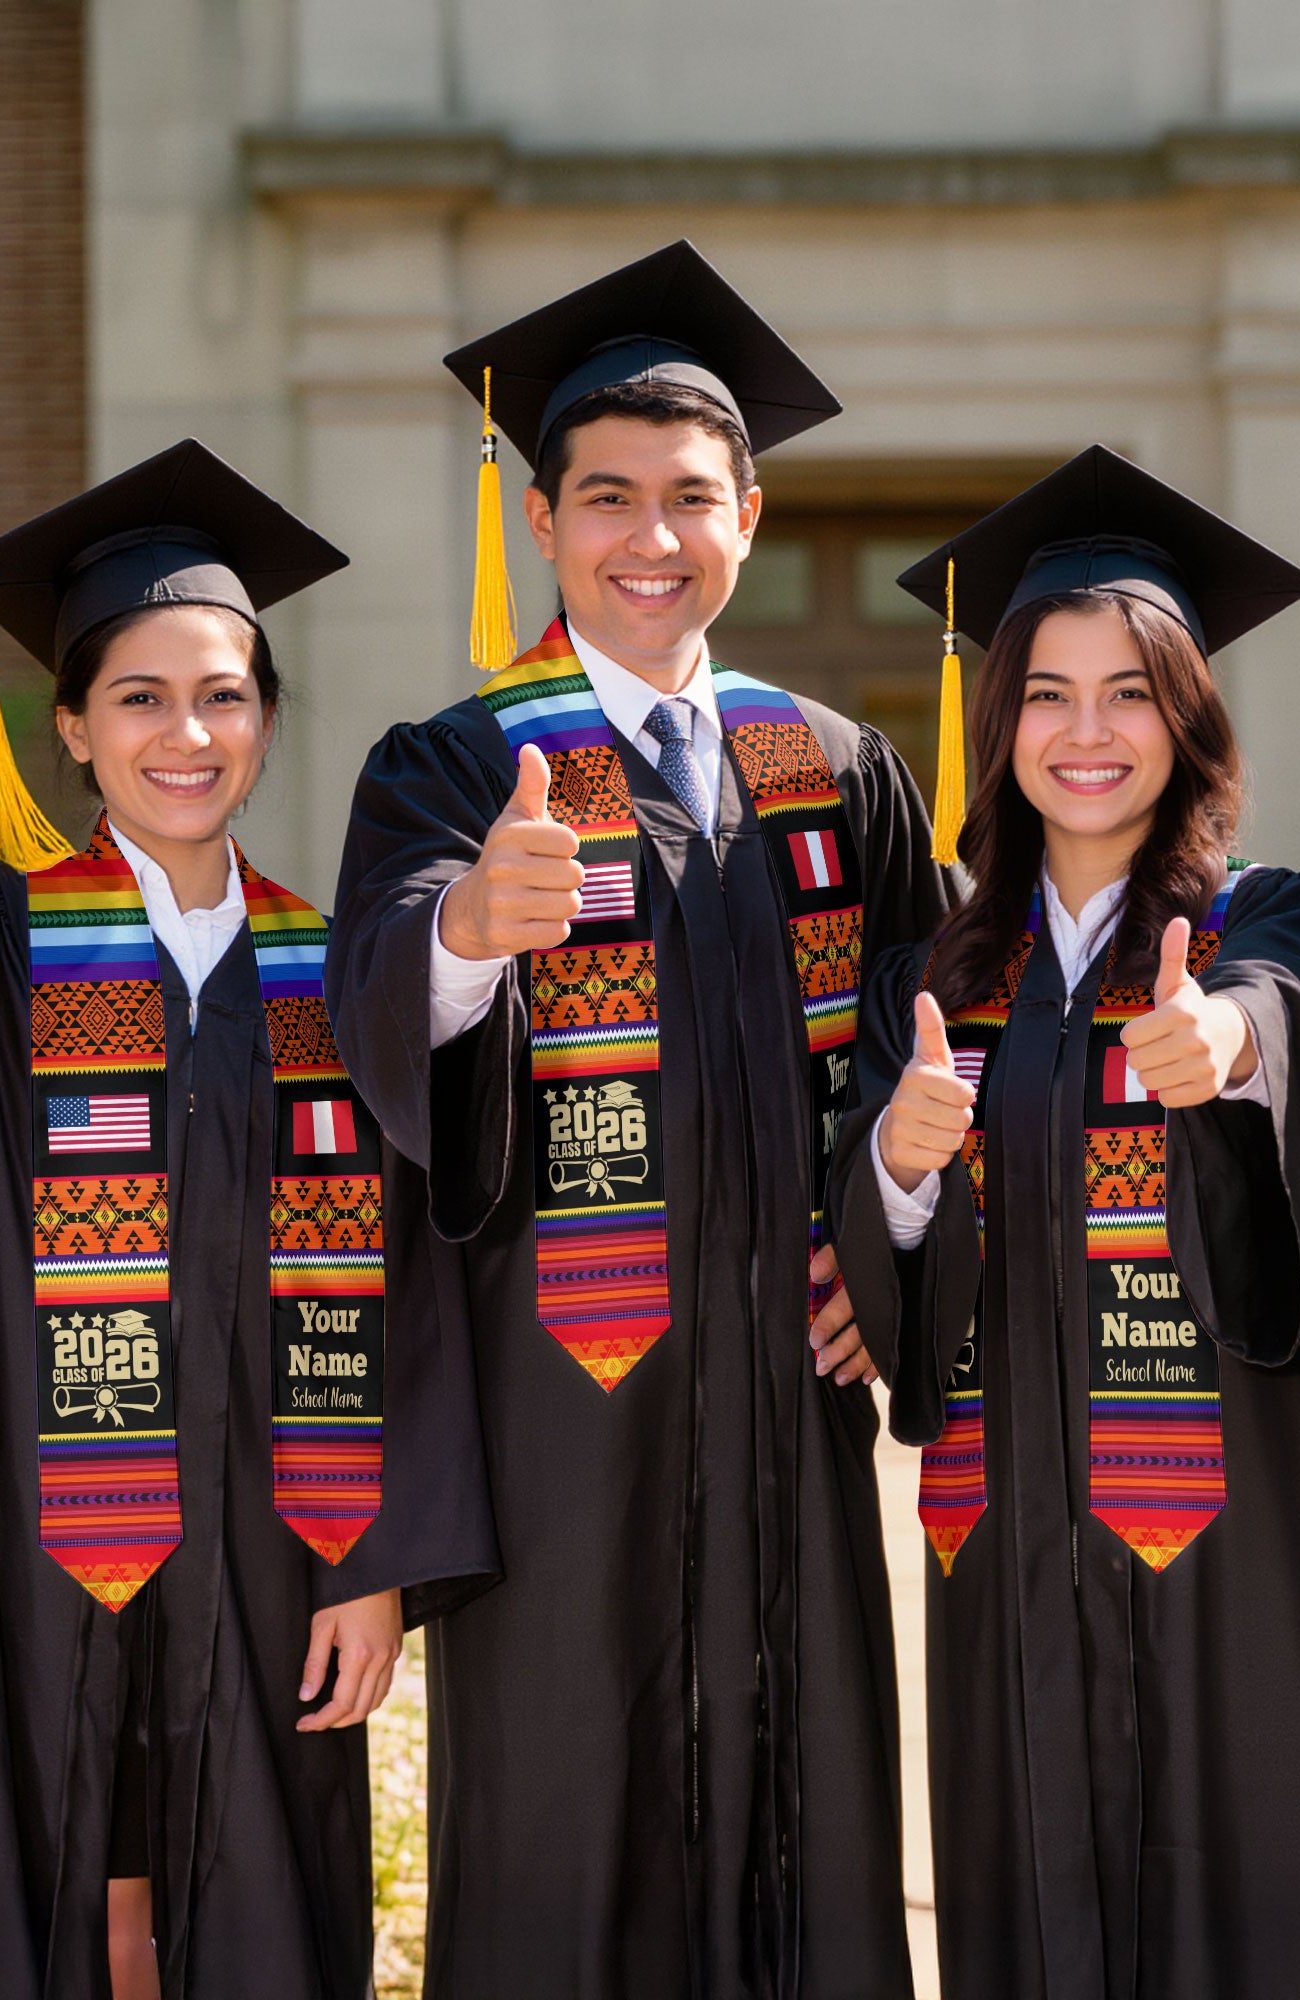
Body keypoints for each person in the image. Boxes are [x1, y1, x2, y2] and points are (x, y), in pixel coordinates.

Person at [326, 241, 953, 1999]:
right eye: (608, 498)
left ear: (749, 515)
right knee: (566, 1828)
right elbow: (372, 998)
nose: (650, 538)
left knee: (806, 1813)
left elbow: (942, 1040)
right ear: (543, 521)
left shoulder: (832, 763)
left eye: (692, 498)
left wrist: (888, 1240)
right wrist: (464, 930)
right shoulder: (458, 764)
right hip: (564, 1407)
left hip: (786, 1398)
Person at [0, 440, 496, 2000]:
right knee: (34, 1874)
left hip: (277, 1545)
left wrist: (376, 1560)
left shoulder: (339, 977)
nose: (185, 733)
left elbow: (414, 1287)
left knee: (252, 1902)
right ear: (71, 725)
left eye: (224, 694)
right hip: (22, 1529)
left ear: (266, 718)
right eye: (137, 696)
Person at [828, 446, 1300, 1998]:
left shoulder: (1269, 917)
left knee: (1258, 1896)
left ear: (1190, 717)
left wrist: (1226, 1048)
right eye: (1048, 694)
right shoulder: (933, 979)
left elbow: (1297, 1026)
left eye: (1132, 692)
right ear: (998, 721)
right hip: (1008, 1525)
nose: (1089, 734)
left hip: (1234, 1531)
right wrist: (896, 1155)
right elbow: (882, 1260)